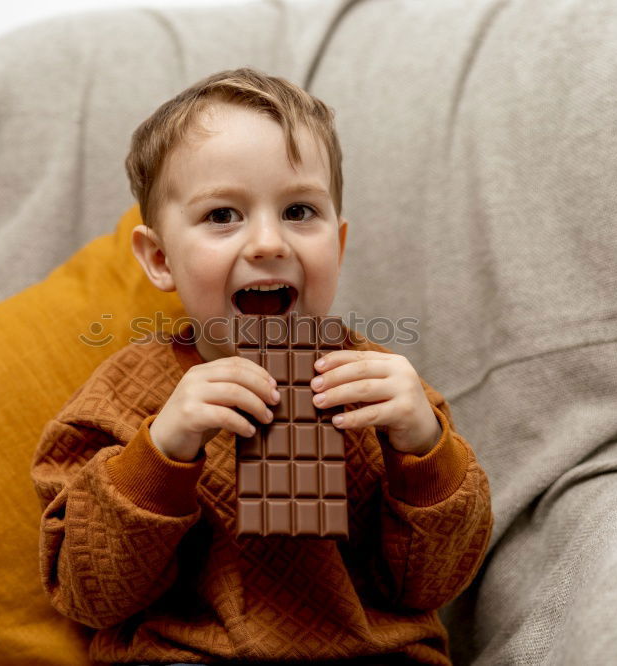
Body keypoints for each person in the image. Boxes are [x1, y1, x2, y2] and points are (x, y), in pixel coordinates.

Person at [30, 67, 493, 666]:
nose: (269, 243)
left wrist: (425, 449)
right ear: (160, 259)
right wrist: (162, 452)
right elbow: (90, 596)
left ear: (339, 243)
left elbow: (434, 586)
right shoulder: (123, 396)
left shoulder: (383, 388)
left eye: (300, 211)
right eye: (223, 216)